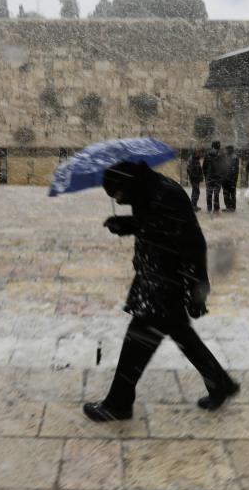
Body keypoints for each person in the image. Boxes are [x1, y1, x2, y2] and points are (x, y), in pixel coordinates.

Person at [83, 161, 239, 422]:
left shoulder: (165, 193)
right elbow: (155, 223)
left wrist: (197, 287)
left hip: (165, 282)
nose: (118, 201)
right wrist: (127, 225)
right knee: (181, 334)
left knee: (138, 340)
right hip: (154, 277)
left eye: (117, 195)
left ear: (127, 185)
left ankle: (118, 403)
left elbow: (193, 241)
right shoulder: (146, 191)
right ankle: (220, 383)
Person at [202, 141, 225, 215]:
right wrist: (222, 175)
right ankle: (216, 209)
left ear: (212, 146)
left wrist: (206, 175)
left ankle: (209, 208)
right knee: (216, 193)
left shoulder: (207, 154)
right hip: (218, 177)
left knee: (209, 193)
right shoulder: (221, 155)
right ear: (218, 146)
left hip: (209, 177)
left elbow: (204, 166)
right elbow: (223, 166)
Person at [221, 145, 239, 211]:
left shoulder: (232, 157)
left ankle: (230, 207)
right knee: (230, 193)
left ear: (229, 150)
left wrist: (226, 177)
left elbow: (232, 169)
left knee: (228, 193)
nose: (225, 151)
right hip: (230, 179)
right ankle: (230, 207)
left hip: (229, 179)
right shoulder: (231, 157)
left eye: (226, 150)